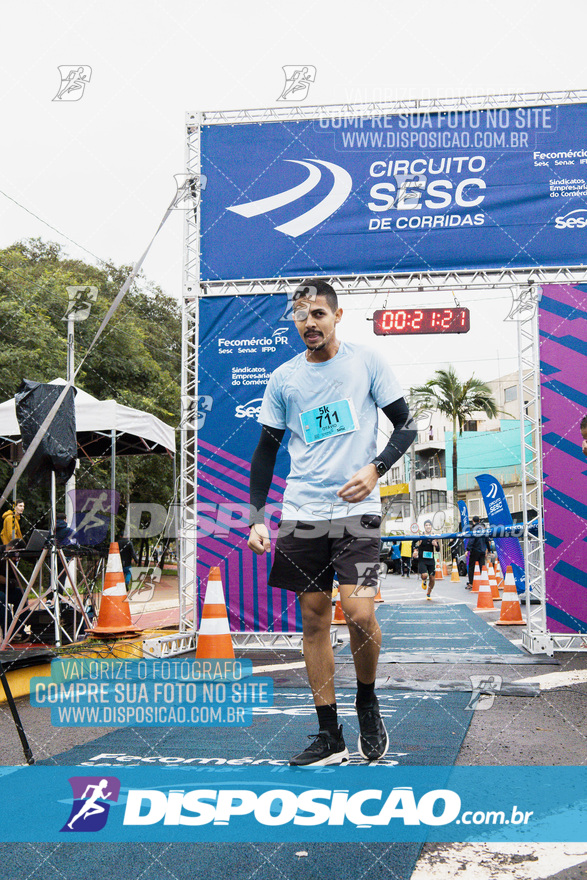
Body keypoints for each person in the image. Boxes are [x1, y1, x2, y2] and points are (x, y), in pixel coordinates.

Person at [247, 278, 417, 766]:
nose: (309, 323)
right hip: (302, 514)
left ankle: (367, 699)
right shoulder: (283, 379)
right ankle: (329, 733)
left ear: (337, 316)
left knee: (361, 613)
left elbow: (407, 425)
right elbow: (266, 450)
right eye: (301, 315)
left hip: (358, 515)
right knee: (314, 618)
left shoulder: (366, 362)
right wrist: (258, 515)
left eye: (318, 313)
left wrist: (375, 468)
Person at [413, 520, 440, 598]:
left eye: (429, 525)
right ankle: (423, 580)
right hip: (423, 559)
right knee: (424, 575)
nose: (428, 527)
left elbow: (438, 549)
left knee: (432, 578)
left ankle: (428, 593)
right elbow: (413, 543)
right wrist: (415, 550)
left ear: (431, 527)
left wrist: (436, 545)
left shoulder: (434, 536)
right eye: (426, 525)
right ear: (424, 527)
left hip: (431, 559)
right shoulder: (421, 535)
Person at [465, 515, 491, 589]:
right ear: (479, 521)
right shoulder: (484, 529)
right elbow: (487, 540)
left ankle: (471, 582)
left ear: (473, 521)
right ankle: (483, 581)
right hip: (482, 551)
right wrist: (489, 550)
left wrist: (468, 549)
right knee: (482, 566)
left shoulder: (474, 529)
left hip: (475, 550)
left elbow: (472, 540)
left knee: (471, 567)